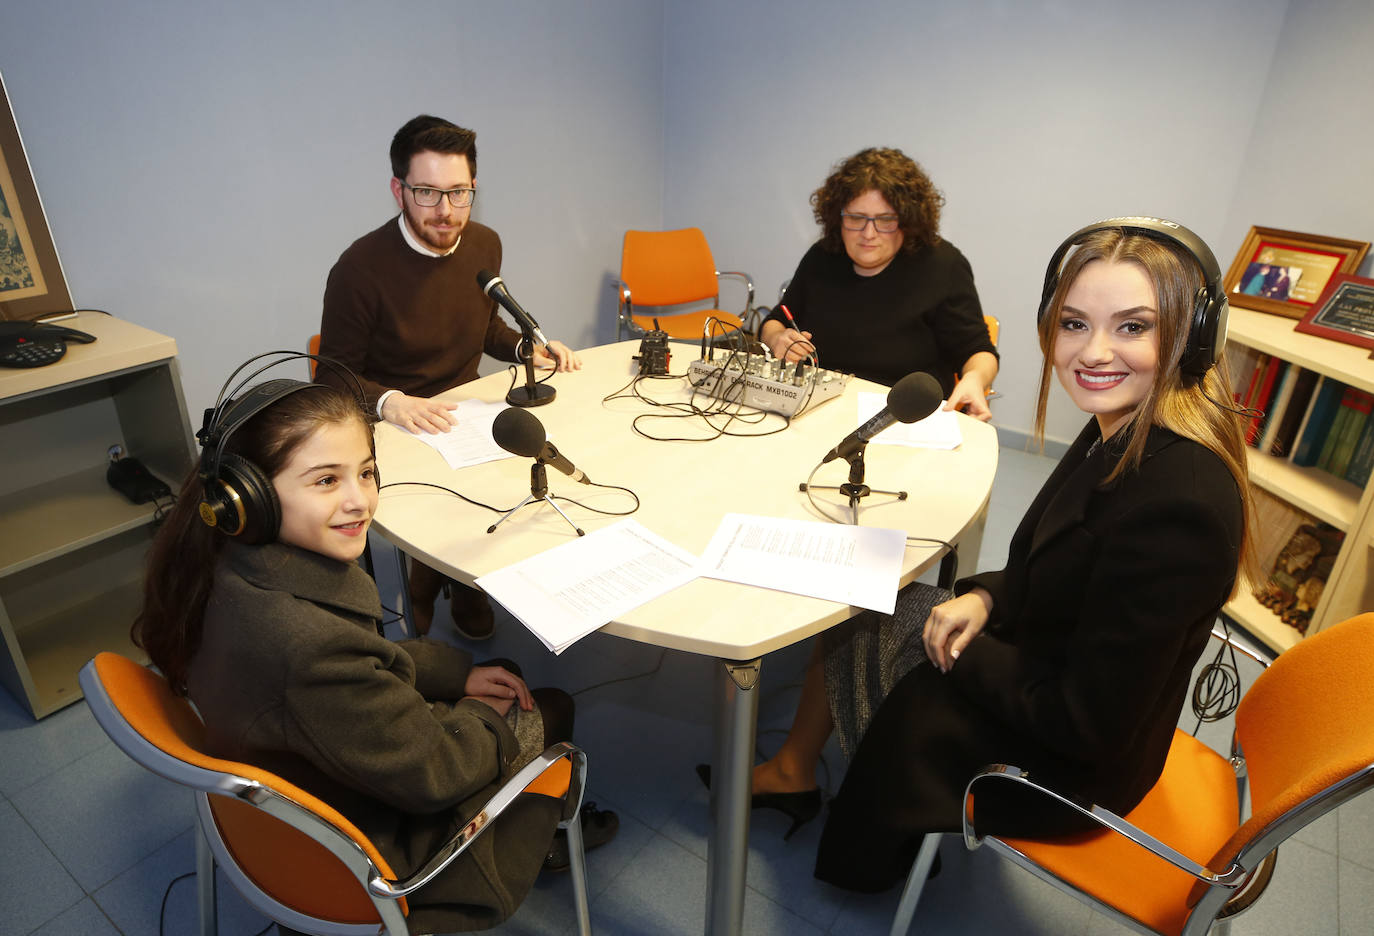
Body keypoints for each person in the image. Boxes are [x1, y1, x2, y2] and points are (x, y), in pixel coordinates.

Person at [737, 220, 1253, 893]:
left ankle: (872, 830)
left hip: (1067, 770)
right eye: (1074, 323)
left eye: (1132, 327)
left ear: (1192, 336)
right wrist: (984, 597)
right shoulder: (1124, 428)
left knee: (888, 625)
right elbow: (1061, 567)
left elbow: (1084, 726)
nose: (1094, 352)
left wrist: (958, 651)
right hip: (1055, 687)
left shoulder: (1178, 504)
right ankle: (826, 779)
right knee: (875, 601)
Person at [131, 374, 616, 932]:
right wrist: (482, 716)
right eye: (325, 481)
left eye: (365, 471)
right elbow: (435, 772)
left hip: (296, 773)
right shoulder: (306, 644)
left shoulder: (223, 561)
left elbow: (365, 661)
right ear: (252, 496)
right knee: (547, 704)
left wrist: (457, 676)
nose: (359, 500)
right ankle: (548, 836)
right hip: (387, 852)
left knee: (495, 671)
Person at [319, 114, 582, 640]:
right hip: (392, 423)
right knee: (433, 510)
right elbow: (331, 377)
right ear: (398, 190)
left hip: (463, 412)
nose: (445, 212)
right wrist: (392, 402)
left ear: (473, 189)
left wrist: (526, 346)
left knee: (504, 478)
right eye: (427, 193)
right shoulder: (359, 268)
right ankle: (424, 582)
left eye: (459, 193)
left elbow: (485, 329)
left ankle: (460, 580)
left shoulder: (484, 244)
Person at [759, 147, 999, 420]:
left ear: (907, 221)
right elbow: (776, 320)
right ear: (837, 218)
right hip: (818, 408)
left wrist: (975, 379)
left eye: (885, 220)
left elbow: (979, 351)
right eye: (856, 218)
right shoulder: (823, 256)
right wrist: (777, 338)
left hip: (903, 416)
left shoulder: (942, 265)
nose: (868, 234)